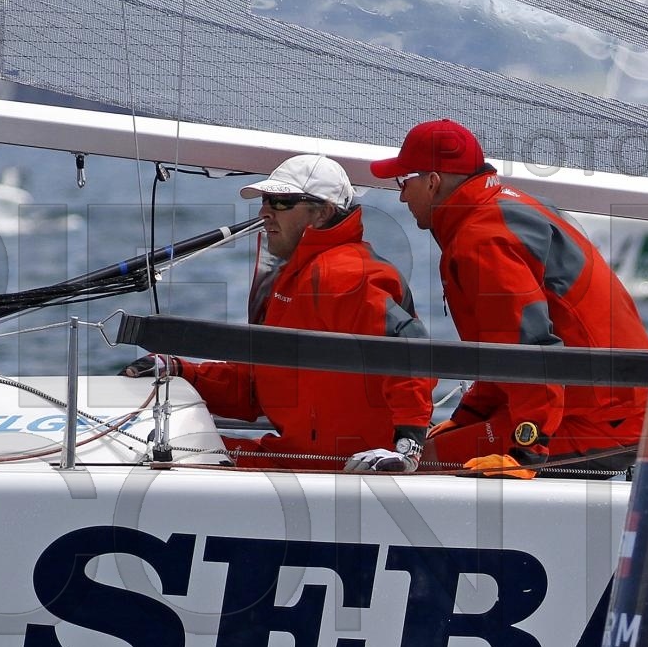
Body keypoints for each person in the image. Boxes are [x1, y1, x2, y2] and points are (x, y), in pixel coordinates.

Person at [371, 119, 648, 479]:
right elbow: (501, 347)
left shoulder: (483, 240)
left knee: (423, 465)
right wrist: (469, 417)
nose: (402, 196)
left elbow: (530, 348)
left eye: (404, 182)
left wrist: (526, 453)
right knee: (429, 449)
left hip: (599, 418)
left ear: (432, 181)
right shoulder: (500, 211)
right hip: (603, 403)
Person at [122, 154, 434, 473]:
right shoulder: (296, 278)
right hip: (299, 459)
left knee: (136, 451)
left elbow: (411, 346)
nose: (264, 212)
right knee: (144, 444)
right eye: (265, 201)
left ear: (323, 213)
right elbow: (256, 390)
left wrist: (407, 448)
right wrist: (179, 371)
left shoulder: (344, 274)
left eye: (281, 202)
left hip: (344, 468)